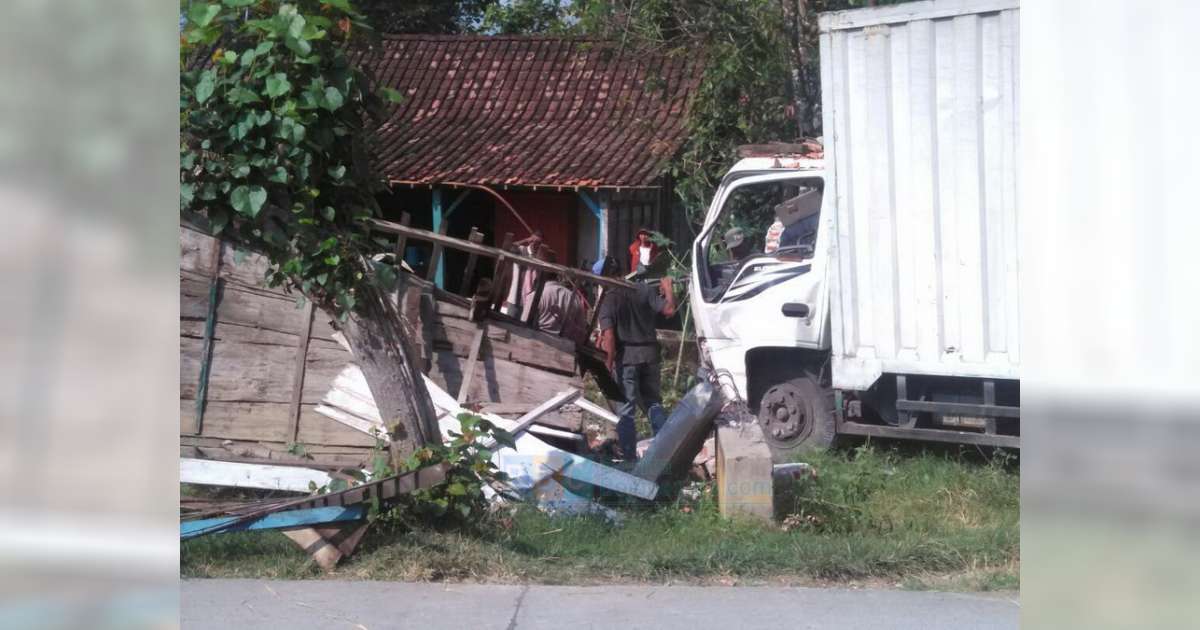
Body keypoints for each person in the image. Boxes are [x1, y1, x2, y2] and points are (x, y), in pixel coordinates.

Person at [595, 256, 677, 461]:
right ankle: (664, 453)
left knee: (626, 411)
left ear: (603, 278)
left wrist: (608, 363)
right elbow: (669, 309)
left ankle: (630, 459)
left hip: (628, 360)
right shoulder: (644, 289)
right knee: (653, 403)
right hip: (650, 356)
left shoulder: (609, 299)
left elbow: (610, 337)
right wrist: (668, 288)